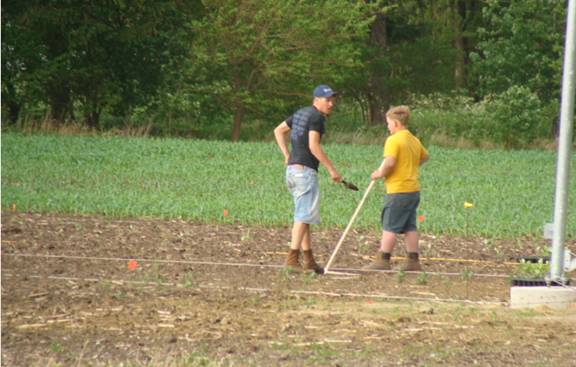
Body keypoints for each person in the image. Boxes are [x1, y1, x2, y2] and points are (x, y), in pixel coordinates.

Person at [273, 85, 342, 274]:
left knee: (304, 217)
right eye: (327, 100)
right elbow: (313, 145)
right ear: (316, 99)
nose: (331, 104)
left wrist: (287, 154)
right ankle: (291, 260)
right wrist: (331, 170)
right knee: (303, 216)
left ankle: (309, 260)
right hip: (305, 172)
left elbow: (278, 131)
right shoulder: (317, 117)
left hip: (292, 172)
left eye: (332, 100)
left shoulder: (301, 113)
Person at [363, 105, 429, 271]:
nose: (388, 126)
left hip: (398, 190)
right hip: (413, 190)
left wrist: (380, 173)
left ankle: (383, 259)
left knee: (390, 225)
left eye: (388, 123)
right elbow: (424, 157)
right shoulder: (414, 139)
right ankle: (413, 260)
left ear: (396, 123)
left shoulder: (393, 140)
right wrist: (409, 165)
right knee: (409, 226)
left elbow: (390, 162)